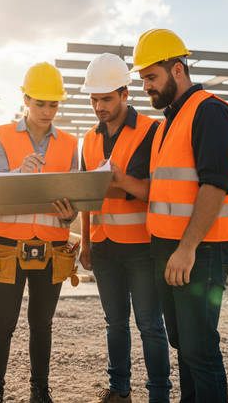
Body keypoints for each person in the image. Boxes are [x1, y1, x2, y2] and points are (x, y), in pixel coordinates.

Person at [128, 28, 228, 403]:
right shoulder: (169, 122)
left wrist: (187, 247)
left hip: (202, 248)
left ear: (177, 69)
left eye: (151, 77)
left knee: (200, 347)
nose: (146, 86)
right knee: (183, 342)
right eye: (143, 78)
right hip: (169, 247)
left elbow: (215, 185)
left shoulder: (211, 111)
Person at [0, 62, 79, 403]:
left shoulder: (69, 143)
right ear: (25, 99)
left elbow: (74, 196)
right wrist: (16, 172)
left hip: (52, 246)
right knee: (3, 325)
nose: (47, 111)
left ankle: (40, 391)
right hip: (8, 246)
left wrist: (71, 215)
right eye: (40, 103)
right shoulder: (3, 135)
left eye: (53, 104)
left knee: (42, 324)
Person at [79, 53, 171, 403]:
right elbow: (86, 195)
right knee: (114, 322)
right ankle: (119, 390)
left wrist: (123, 181)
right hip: (103, 247)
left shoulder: (153, 131)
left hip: (142, 246)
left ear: (124, 94)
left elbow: (159, 191)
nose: (98, 106)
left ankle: (159, 394)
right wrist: (85, 242)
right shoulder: (88, 139)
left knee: (150, 325)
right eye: (93, 99)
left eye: (105, 98)